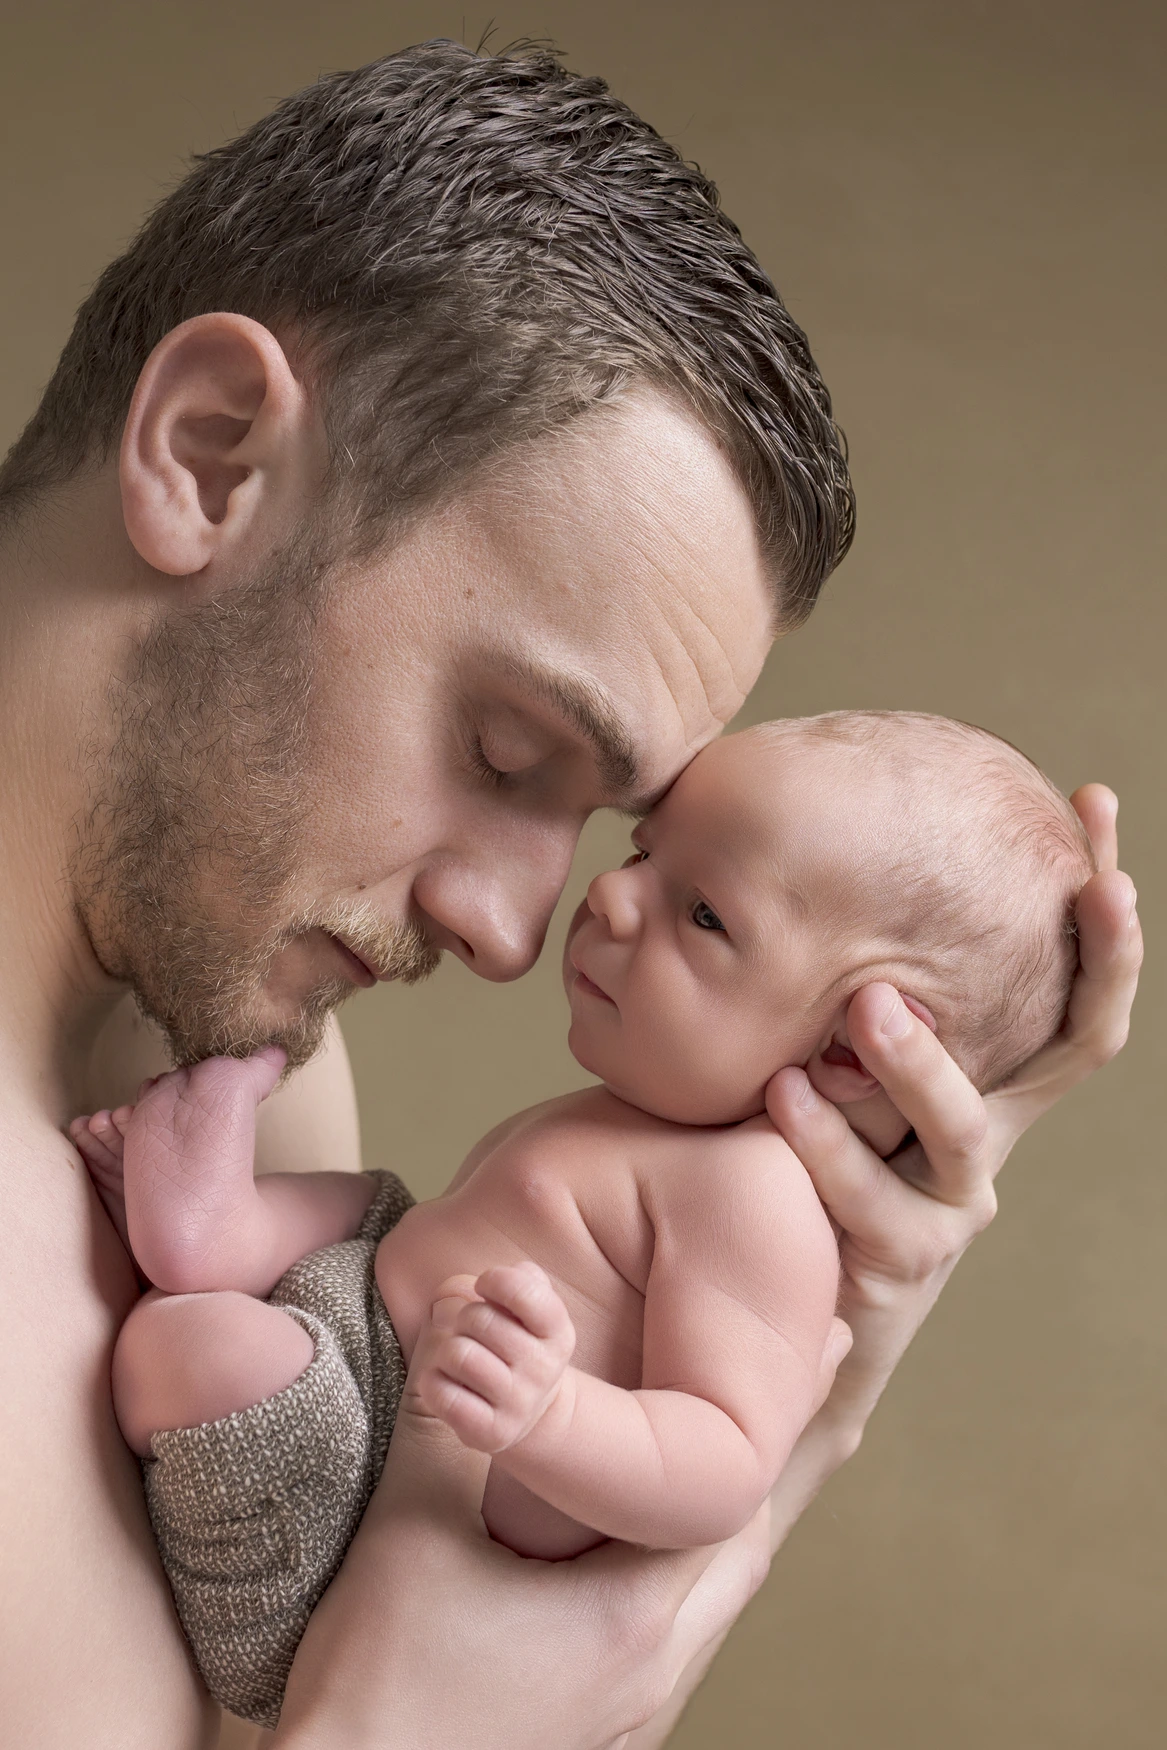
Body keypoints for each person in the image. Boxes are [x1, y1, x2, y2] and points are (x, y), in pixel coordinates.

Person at [0, 40, 1139, 1750]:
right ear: (213, 451)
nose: (515, 936)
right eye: (508, 745)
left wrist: (815, 1387)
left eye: (604, 827)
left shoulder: (258, 1058)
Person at [70, 711, 1098, 1731]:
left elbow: (728, 1457)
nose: (609, 891)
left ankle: (205, 1250)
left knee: (191, 1345)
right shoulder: (633, 1121)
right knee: (373, 1203)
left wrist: (549, 1416)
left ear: (851, 1057)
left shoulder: (759, 1197)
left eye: (703, 914)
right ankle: (216, 1224)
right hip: (369, 1331)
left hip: (371, 1500)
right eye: (646, 852)